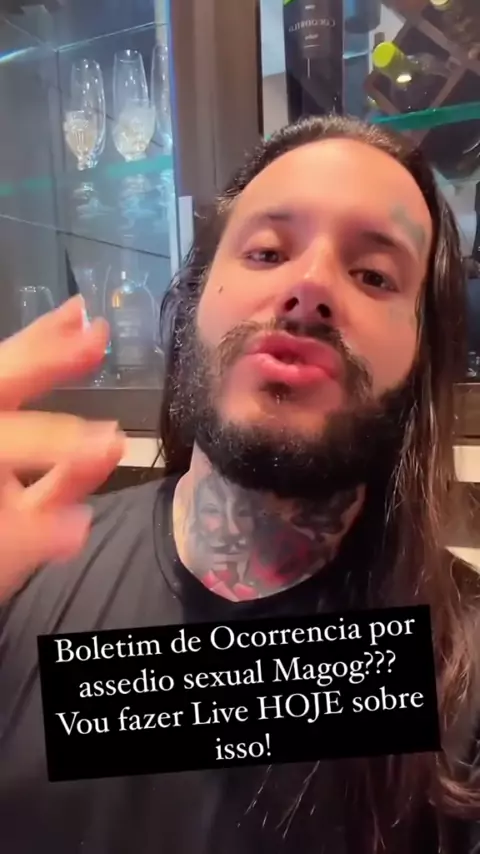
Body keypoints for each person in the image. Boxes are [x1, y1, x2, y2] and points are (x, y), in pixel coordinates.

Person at [0, 114, 479, 854]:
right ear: (193, 298)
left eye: (373, 276)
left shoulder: (465, 668)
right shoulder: (22, 569)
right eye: (267, 252)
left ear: (421, 355)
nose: (310, 286)